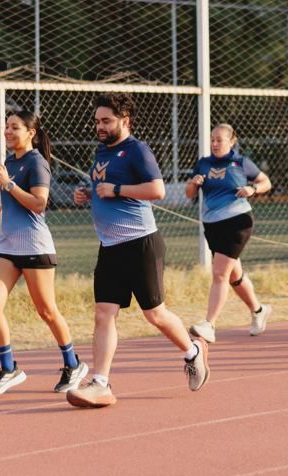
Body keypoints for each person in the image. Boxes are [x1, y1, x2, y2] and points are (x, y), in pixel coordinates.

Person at [66, 93, 209, 408]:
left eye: (106, 121)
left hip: (141, 244)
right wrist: (88, 194)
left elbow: (156, 190)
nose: (99, 126)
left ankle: (193, 351)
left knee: (154, 314)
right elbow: (104, 188)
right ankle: (101, 383)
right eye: (97, 121)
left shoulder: (137, 151)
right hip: (110, 247)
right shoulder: (102, 152)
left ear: (124, 121)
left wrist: (116, 190)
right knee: (104, 313)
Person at [0, 110, 88, 395]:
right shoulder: (8, 163)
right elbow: (16, 201)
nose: (7, 131)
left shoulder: (37, 163)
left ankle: (73, 364)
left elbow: (39, 203)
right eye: (6, 127)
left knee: (46, 311)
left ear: (31, 133)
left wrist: (8, 185)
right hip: (7, 247)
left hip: (34, 246)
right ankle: (8, 369)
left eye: (14, 127)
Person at [185, 123, 273, 343]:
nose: (214, 143)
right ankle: (259, 310)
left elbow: (265, 182)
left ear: (231, 142)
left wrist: (252, 189)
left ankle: (209, 324)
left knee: (220, 274)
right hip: (212, 225)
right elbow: (189, 194)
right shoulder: (202, 164)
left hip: (238, 221)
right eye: (212, 139)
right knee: (234, 276)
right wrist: (194, 184)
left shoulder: (241, 163)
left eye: (219, 140)